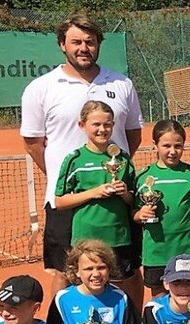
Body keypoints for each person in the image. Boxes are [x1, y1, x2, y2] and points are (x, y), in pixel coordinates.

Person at [20, 14, 143, 301]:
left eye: (90, 42)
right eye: (76, 42)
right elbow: (33, 143)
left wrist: (110, 173)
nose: (83, 48)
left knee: (127, 270)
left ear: (99, 44)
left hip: (117, 198)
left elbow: (133, 135)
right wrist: (70, 178)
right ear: (62, 44)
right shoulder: (41, 87)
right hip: (66, 202)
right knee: (66, 271)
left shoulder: (122, 83)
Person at [54, 100, 142, 307]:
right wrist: (93, 193)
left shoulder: (122, 159)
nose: (102, 129)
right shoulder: (74, 160)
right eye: (96, 124)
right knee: (87, 286)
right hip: (86, 239)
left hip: (118, 237)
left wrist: (124, 193)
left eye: (108, 124)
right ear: (82, 125)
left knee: (122, 284)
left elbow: (133, 200)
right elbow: (60, 201)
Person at [133, 120, 190, 297]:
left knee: (188, 300)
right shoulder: (143, 177)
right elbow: (133, 213)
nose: (172, 151)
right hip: (156, 253)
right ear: (155, 145)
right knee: (160, 301)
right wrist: (139, 214)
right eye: (166, 145)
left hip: (188, 251)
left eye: (178, 146)